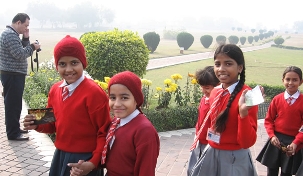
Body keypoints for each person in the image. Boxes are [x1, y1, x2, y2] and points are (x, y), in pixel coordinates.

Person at [23, 35, 111, 176]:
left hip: (85, 161)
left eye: (74, 62)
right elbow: (52, 124)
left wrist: (94, 163)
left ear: (83, 63)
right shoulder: (55, 89)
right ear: (57, 66)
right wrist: (36, 123)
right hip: (60, 155)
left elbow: (104, 132)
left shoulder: (94, 93)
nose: (68, 69)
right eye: (62, 64)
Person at [68, 71, 160, 176]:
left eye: (124, 98)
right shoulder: (115, 123)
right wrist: (88, 166)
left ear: (136, 99)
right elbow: (110, 156)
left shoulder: (144, 130)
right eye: (112, 98)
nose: (117, 104)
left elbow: (146, 171)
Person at [189, 44, 261, 176]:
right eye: (217, 64)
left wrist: (243, 114)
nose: (221, 69)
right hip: (211, 151)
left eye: (228, 64)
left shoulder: (249, 95)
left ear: (240, 67)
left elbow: (247, 142)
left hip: (234, 158)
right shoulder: (215, 92)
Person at [0, 13, 40, 141]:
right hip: (12, 75)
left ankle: (15, 128)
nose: (26, 28)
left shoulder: (12, 34)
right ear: (18, 22)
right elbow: (20, 54)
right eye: (25, 25)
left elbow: (21, 48)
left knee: (15, 104)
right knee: (12, 105)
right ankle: (13, 133)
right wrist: (33, 47)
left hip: (13, 74)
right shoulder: (10, 35)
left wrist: (26, 38)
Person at [256, 66, 303, 176]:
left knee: (286, 173)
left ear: (301, 82)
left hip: (293, 142)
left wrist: (296, 143)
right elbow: (268, 120)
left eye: (295, 80)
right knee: (271, 171)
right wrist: (272, 136)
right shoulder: (277, 99)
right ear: (283, 80)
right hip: (276, 140)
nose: (290, 83)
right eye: (287, 79)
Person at [187, 65, 220, 175]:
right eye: (202, 87)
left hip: (210, 145)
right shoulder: (203, 99)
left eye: (207, 88)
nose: (203, 91)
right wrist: (197, 133)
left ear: (218, 85)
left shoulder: (218, 103)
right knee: (192, 170)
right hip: (199, 140)